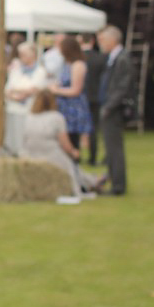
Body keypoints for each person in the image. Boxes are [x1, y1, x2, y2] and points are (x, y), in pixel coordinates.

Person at [21, 89, 101, 198]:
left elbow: (24, 139)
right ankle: (92, 182)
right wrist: (74, 152)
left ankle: (92, 181)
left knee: (69, 162)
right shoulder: (56, 117)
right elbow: (65, 144)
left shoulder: (29, 117)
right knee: (70, 164)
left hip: (30, 153)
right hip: (50, 153)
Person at [97, 25, 135, 196]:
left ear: (113, 40)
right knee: (110, 148)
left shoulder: (122, 58)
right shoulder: (114, 57)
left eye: (103, 40)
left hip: (114, 109)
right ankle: (113, 180)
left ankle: (118, 185)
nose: (101, 43)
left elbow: (122, 87)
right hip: (110, 107)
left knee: (114, 148)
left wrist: (109, 106)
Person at [3, 41, 48, 154]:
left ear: (32, 55)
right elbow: (8, 88)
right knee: (13, 134)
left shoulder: (40, 71)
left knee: (27, 134)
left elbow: (34, 89)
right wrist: (15, 95)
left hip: (29, 109)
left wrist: (17, 91)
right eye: (20, 54)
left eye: (24, 54)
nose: (21, 57)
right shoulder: (16, 70)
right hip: (13, 108)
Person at [50, 35, 92, 151]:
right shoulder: (66, 64)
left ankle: (73, 163)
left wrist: (56, 90)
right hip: (63, 106)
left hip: (73, 108)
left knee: (72, 138)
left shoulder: (78, 65)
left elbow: (76, 90)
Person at [81, 32, 107, 165]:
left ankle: (77, 155)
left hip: (80, 97)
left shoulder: (78, 58)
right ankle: (93, 157)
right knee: (93, 129)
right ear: (92, 41)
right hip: (95, 97)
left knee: (78, 128)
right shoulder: (100, 58)